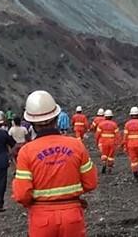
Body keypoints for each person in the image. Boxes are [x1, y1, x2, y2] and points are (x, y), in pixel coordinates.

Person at [13, 90, 97, 237]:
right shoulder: (76, 145)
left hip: (41, 219)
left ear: (32, 123)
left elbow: (22, 195)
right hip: (72, 217)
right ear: (57, 118)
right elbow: (90, 183)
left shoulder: (26, 151)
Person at [95, 109, 120, 174]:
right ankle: (110, 168)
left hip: (103, 142)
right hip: (112, 142)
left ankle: (104, 164)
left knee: (104, 154)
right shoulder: (114, 124)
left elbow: (97, 135)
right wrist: (118, 143)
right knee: (110, 156)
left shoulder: (101, 124)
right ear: (111, 116)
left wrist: (97, 141)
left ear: (105, 116)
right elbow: (117, 135)